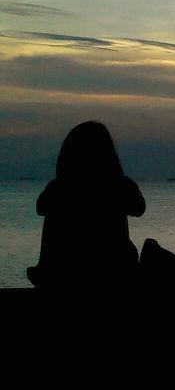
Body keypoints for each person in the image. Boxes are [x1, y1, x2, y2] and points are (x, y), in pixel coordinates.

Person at [27, 121, 146, 289]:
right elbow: (139, 207)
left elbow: (41, 207)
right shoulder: (119, 186)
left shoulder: (58, 188)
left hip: (59, 274)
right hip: (114, 273)